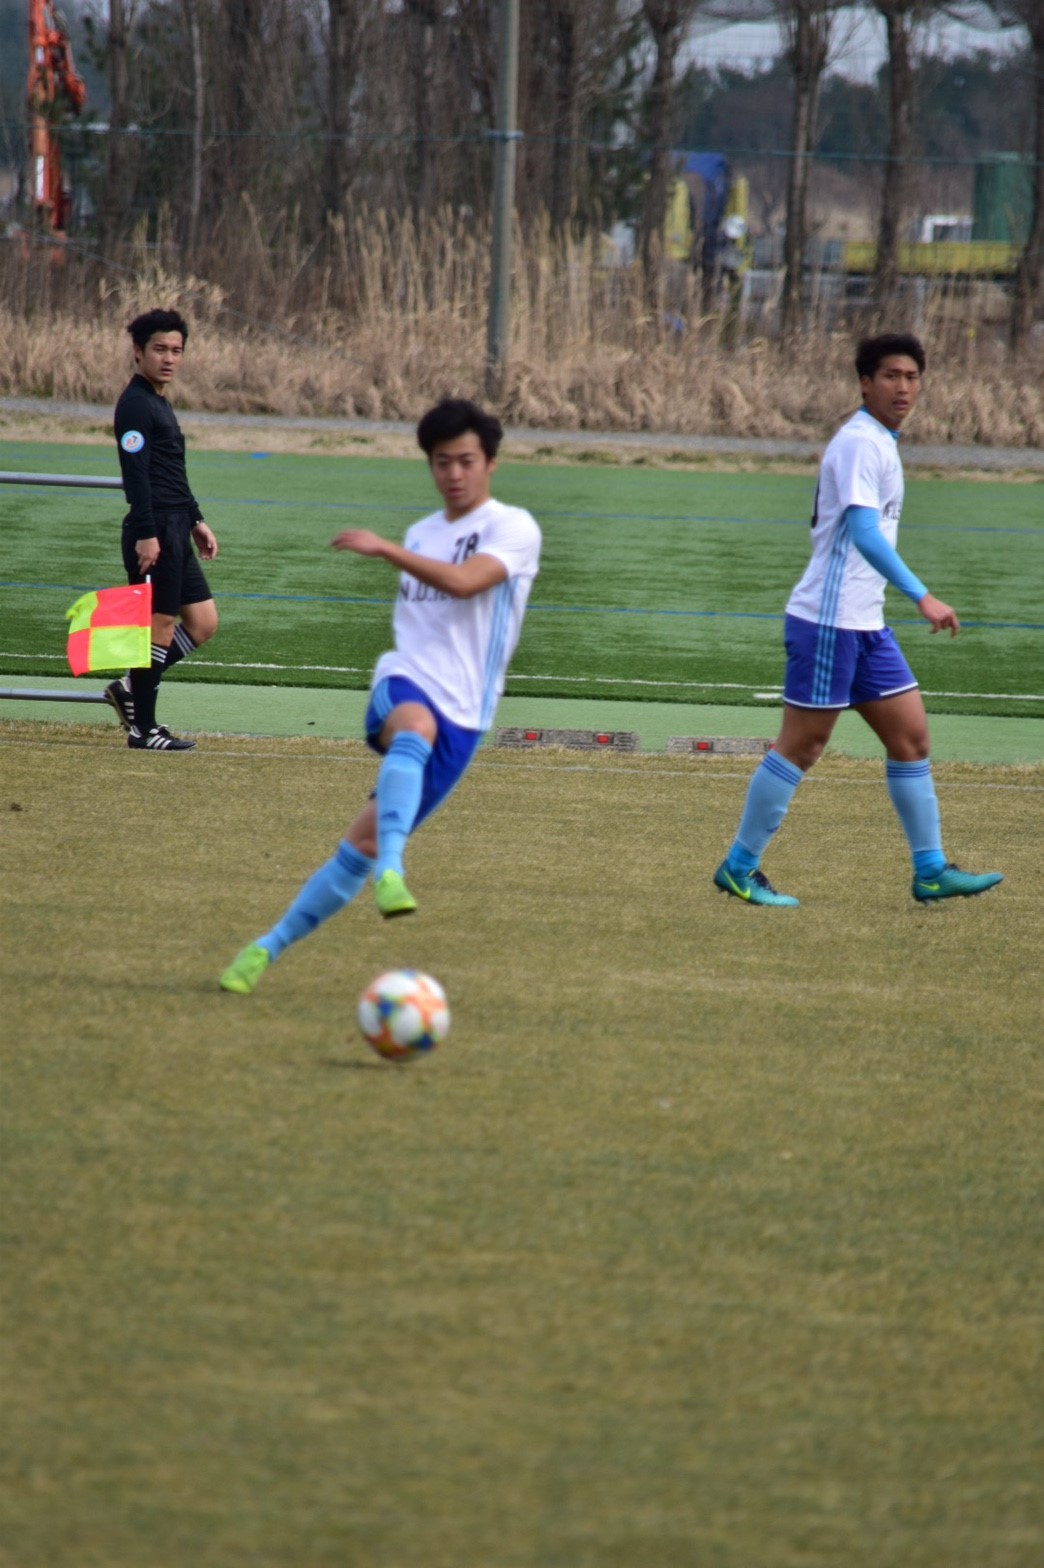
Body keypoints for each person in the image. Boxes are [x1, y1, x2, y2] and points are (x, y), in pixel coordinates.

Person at [219, 398, 542, 994]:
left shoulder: (512, 528)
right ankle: (392, 871)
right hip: (405, 680)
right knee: (414, 727)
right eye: (441, 462)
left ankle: (265, 949)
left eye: (466, 461)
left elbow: (466, 583)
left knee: (360, 843)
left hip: (466, 713)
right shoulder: (423, 533)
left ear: (490, 462)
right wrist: (398, 550)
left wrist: (386, 548)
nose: (453, 474)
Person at [713, 331, 1003, 908]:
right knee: (802, 746)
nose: (903, 387)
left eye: (912, 377)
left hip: (865, 624)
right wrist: (922, 596)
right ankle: (739, 868)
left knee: (911, 738)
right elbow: (864, 533)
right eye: (891, 375)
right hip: (828, 623)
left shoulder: (881, 443)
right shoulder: (859, 443)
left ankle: (930, 870)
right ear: (865, 383)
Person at [106, 308, 219, 751]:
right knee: (160, 624)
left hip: (176, 526)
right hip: (154, 529)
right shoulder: (136, 404)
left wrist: (196, 520)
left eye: (177, 350)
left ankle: (130, 688)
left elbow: (172, 472)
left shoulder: (158, 401)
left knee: (203, 622)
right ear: (138, 352)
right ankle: (144, 729)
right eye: (160, 349)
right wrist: (147, 532)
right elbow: (135, 475)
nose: (169, 358)